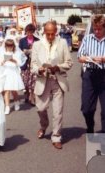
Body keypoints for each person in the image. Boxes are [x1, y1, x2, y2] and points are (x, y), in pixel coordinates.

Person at [31, 21, 73, 149]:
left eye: (52, 34)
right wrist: (39, 70)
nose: (50, 37)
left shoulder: (63, 43)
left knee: (57, 111)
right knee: (41, 108)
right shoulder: (37, 45)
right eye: (48, 34)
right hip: (42, 80)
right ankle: (44, 126)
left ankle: (56, 136)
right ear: (44, 32)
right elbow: (33, 64)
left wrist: (58, 67)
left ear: (56, 32)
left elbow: (69, 62)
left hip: (57, 81)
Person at [77, 14, 105, 133]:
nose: (97, 31)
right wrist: (86, 59)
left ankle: (103, 137)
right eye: (95, 29)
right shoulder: (87, 39)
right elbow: (79, 56)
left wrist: (103, 59)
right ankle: (90, 125)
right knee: (87, 109)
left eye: (100, 29)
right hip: (90, 75)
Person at [19, 23, 40, 105]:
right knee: (26, 82)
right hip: (25, 64)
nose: (29, 33)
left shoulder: (37, 40)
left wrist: (33, 51)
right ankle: (27, 94)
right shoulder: (22, 40)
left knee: (33, 81)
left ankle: (32, 97)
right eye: (28, 32)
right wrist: (24, 52)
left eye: (31, 32)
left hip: (34, 63)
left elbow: (40, 52)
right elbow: (19, 52)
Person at [2, 39, 25, 114]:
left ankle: (16, 102)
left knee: (14, 90)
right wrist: (3, 61)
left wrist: (14, 60)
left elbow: (20, 63)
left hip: (13, 72)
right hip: (6, 72)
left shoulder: (16, 53)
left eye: (11, 46)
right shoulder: (2, 52)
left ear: (13, 46)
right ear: (5, 46)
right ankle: (7, 106)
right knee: (6, 90)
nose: (9, 47)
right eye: (8, 46)